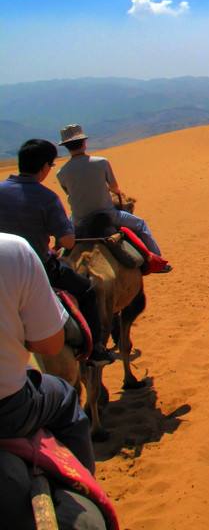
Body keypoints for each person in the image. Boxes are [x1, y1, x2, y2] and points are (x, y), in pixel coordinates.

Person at [0, 140, 114, 365]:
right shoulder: (46, 197)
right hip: (38, 268)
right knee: (88, 290)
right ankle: (95, 350)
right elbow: (68, 241)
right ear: (43, 167)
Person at [0, 233, 95, 473]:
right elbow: (49, 347)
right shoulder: (14, 247)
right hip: (10, 408)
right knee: (65, 397)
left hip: (82, 224)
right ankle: (84, 485)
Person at [55, 125, 169, 271]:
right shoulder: (101, 162)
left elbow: (69, 194)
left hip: (79, 220)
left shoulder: (61, 173)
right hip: (108, 214)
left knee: (63, 240)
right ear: (84, 143)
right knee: (141, 225)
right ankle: (157, 262)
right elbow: (115, 188)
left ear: (66, 147)